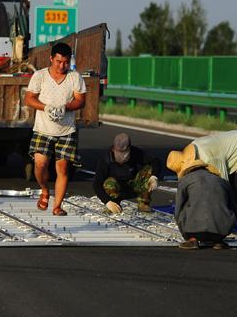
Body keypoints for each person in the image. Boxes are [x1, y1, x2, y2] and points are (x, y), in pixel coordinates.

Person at [24, 41, 87, 216]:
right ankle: (44, 190)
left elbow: (81, 100)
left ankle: (57, 205)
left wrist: (65, 107)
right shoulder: (40, 76)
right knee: (40, 164)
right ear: (51, 58)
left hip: (66, 130)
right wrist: (46, 107)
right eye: (58, 61)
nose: (62, 65)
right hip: (43, 129)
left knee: (63, 168)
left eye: (66, 62)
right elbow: (29, 99)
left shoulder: (75, 77)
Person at [166, 128, 237, 235]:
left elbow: (222, 183)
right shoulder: (193, 148)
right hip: (234, 149)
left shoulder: (209, 157)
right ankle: (232, 220)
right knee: (232, 188)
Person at [171, 157, 237, 250]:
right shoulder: (222, 181)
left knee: (184, 206)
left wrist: (181, 225)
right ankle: (218, 241)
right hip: (221, 231)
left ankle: (192, 239)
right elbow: (234, 207)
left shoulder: (185, 180)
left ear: (190, 170)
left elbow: (178, 208)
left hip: (193, 229)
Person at [93, 133, 160, 214]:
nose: (122, 158)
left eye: (125, 155)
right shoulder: (105, 159)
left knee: (149, 169)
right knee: (109, 182)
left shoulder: (136, 153)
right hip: (116, 189)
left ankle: (143, 203)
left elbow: (155, 161)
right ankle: (114, 204)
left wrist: (154, 177)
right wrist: (107, 202)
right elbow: (96, 184)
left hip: (133, 186)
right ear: (113, 149)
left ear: (129, 149)